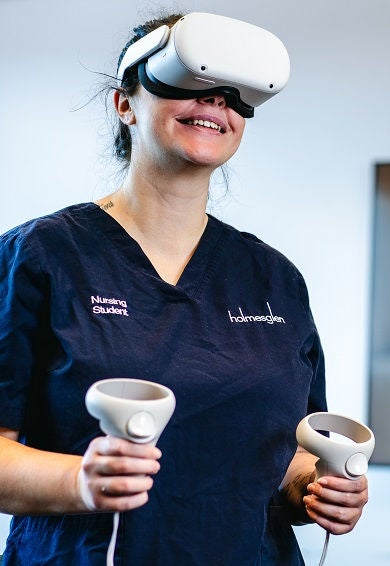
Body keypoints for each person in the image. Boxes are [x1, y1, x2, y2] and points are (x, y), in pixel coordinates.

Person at [0, 12, 367, 564]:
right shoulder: (41, 257)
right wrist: (81, 481)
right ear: (125, 103)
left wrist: (318, 492)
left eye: (235, 94)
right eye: (192, 82)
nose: (217, 102)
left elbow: (286, 456)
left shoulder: (276, 280)